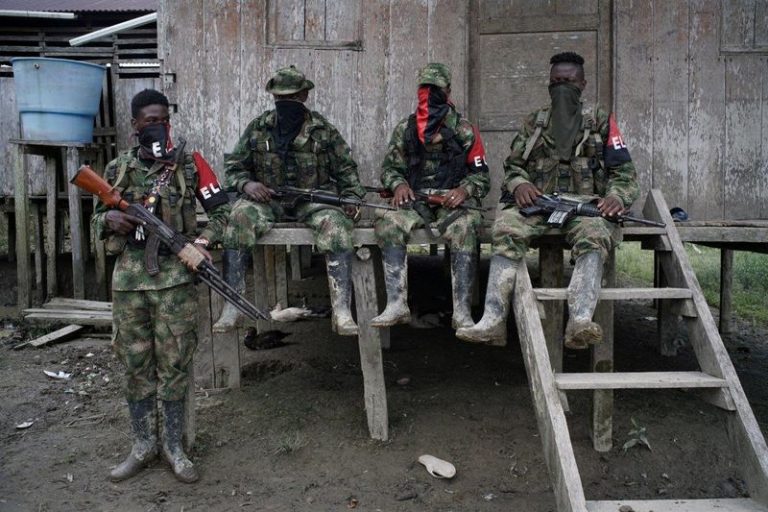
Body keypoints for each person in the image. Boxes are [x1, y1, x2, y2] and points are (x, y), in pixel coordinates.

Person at [91, 89, 231, 482]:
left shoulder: (190, 165)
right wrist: (109, 222)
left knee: (174, 366)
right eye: (150, 121)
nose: (158, 126)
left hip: (175, 284)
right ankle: (142, 446)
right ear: (135, 125)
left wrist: (201, 243)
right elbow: (94, 221)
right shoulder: (118, 168)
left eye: (163, 119)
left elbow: (223, 213)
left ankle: (173, 447)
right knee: (135, 366)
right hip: (129, 286)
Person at [457, 52, 639, 347]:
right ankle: (492, 320)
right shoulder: (535, 122)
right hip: (540, 204)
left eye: (568, 81)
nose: (561, 87)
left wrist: (617, 196)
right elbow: (512, 166)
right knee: (506, 228)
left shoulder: (600, 121)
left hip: (584, 206)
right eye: (555, 82)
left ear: (582, 84)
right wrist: (519, 184)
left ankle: (579, 320)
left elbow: (624, 171)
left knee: (595, 234)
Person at [222, 65, 365, 336]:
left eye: (292, 97)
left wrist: (351, 198)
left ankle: (342, 310)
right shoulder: (259, 128)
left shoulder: (323, 130)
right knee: (238, 218)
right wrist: (247, 184)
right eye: (280, 98)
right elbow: (234, 167)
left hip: (312, 199)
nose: (285, 103)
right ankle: (232, 307)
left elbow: (346, 169)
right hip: (269, 199)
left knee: (336, 225)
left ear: (304, 96)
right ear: (274, 98)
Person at [372, 63, 490, 330]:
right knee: (387, 220)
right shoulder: (407, 128)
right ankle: (396, 305)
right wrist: (399, 184)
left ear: (447, 91)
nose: (429, 94)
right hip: (414, 200)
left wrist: (464, 190)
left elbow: (483, 177)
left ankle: (461, 311)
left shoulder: (464, 130)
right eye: (424, 89)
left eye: (435, 90)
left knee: (465, 226)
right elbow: (390, 169)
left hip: (451, 204)